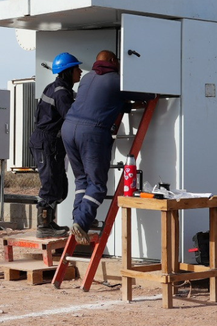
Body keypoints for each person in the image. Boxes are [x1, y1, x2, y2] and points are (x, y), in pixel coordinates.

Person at [61, 50, 155, 244]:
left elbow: (102, 100)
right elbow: (148, 94)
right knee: (96, 184)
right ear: (113, 61)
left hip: (68, 129)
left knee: (81, 180)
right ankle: (82, 222)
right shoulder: (116, 80)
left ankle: (77, 219)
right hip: (91, 132)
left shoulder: (86, 78)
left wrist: (125, 106)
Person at [29, 52, 82, 238]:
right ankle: (43, 226)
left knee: (60, 187)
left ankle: (49, 222)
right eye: (77, 68)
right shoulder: (61, 93)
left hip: (52, 142)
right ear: (68, 71)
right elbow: (71, 117)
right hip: (47, 141)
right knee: (51, 184)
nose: (80, 71)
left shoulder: (61, 89)